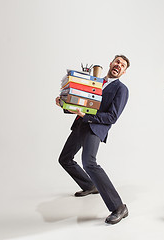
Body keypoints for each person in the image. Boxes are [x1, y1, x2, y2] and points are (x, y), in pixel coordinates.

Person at [55, 55, 130, 225]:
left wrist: (88, 116)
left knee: (89, 162)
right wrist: (63, 104)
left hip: (95, 127)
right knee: (64, 159)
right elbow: (80, 103)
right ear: (110, 64)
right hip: (80, 124)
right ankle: (89, 185)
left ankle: (119, 207)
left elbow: (112, 117)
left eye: (122, 65)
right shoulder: (93, 82)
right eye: (117, 61)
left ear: (124, 71)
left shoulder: (121, 89)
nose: (118, 65)